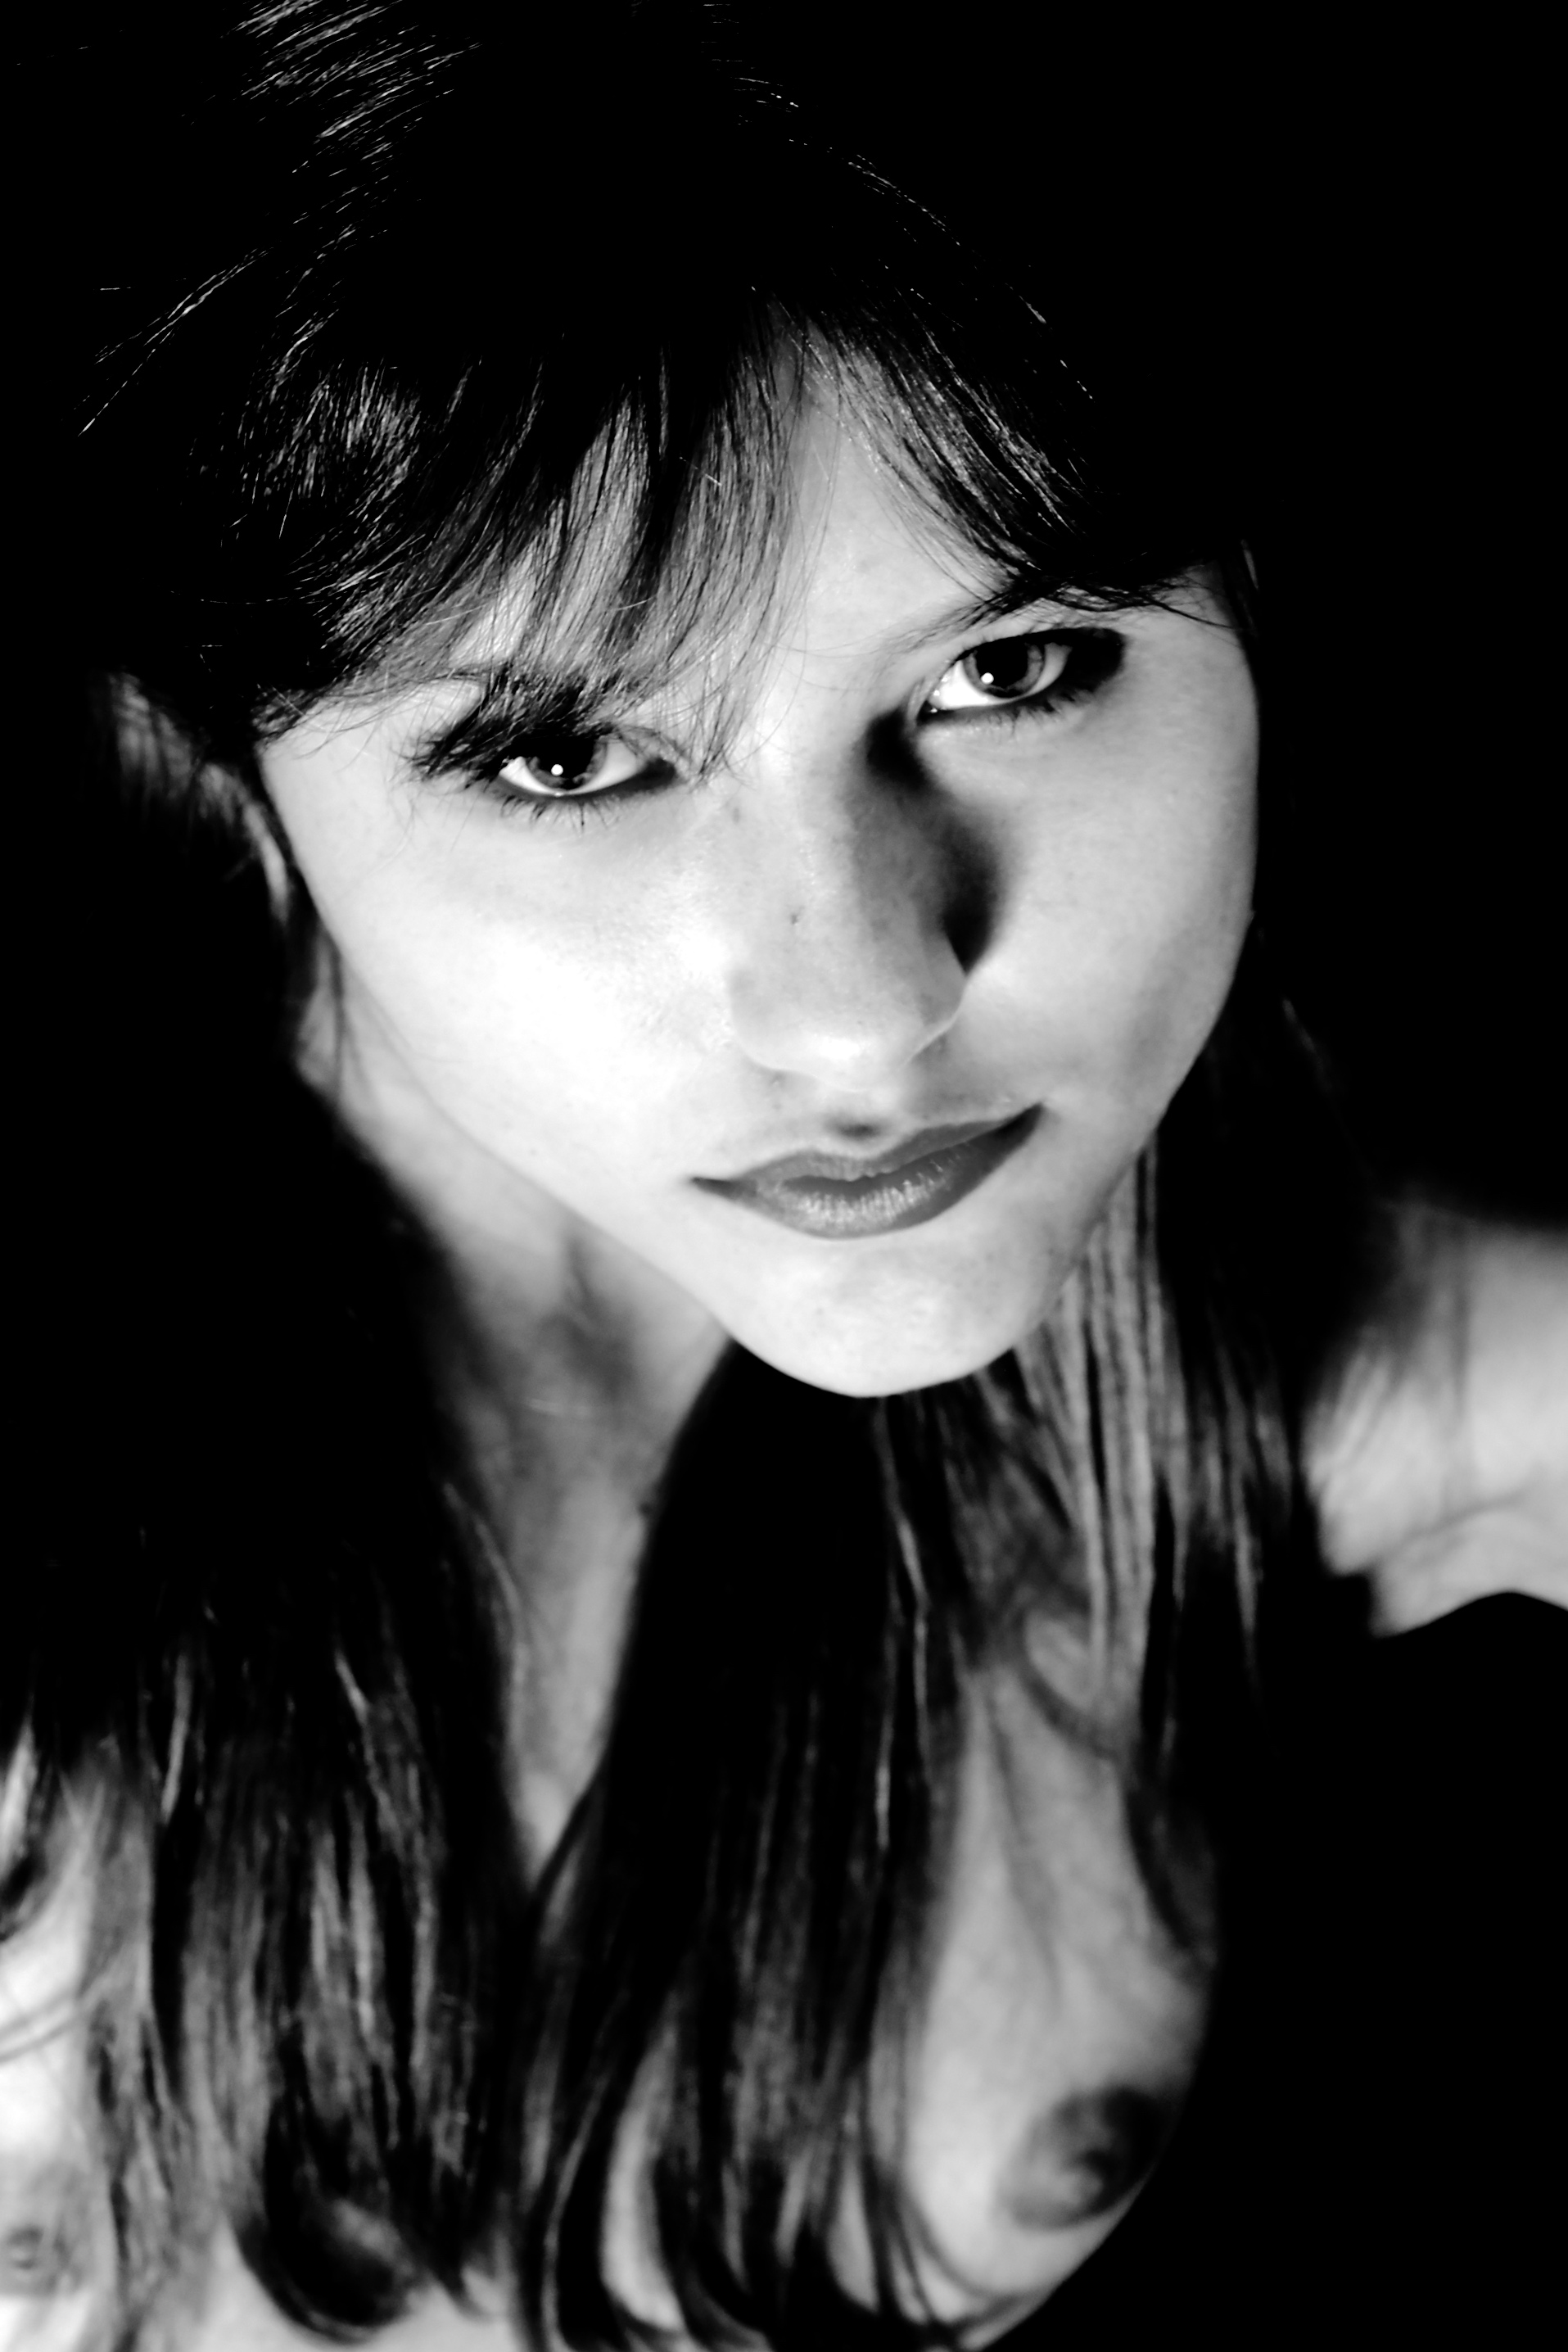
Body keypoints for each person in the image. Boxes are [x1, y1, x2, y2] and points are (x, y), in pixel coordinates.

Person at [6, 4, 1564, 2347]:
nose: (860, 1009)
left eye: (1017, 669)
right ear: (214, 763)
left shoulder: (1314, 1391)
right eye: (563, 758)